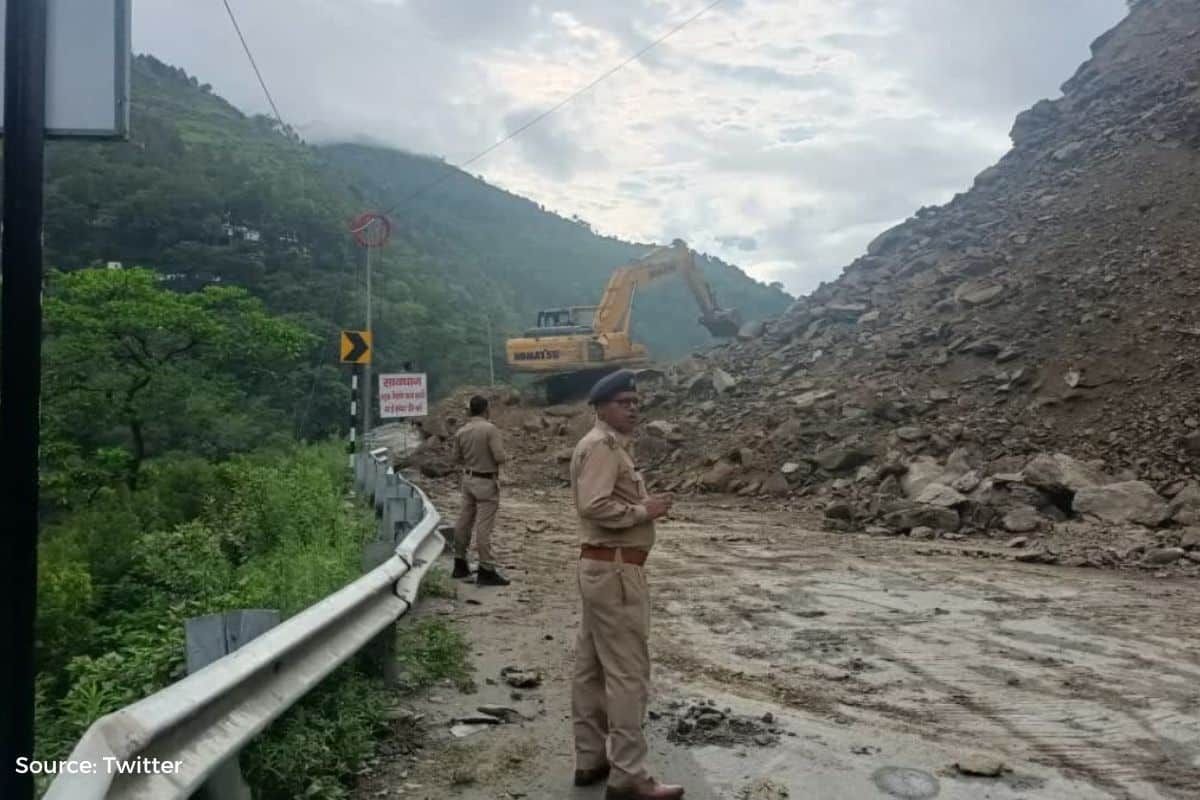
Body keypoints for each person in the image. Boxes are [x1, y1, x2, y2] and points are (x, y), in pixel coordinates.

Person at [569, 369, 682, 800]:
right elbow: (594, 504)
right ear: (600, 407)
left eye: (635, 402)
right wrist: (643, 512)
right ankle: (630, 775)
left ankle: (590, 758)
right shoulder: (602, 447)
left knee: (591, 669)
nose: (633, 409)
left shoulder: (603, 445)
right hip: (616, 571)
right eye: (623, 402)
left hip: (602, 568)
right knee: (628, 673)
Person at [451, 394, 510, 586]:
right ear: (486, 409)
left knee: (464, 521)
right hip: (486, 481)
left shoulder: (461, 431)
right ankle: (486, 569)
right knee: (484, 527)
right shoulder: (489, 429)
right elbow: (499, 457)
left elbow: (456, 458)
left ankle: (459, 563)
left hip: (468, 480)